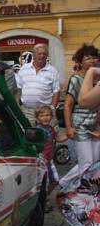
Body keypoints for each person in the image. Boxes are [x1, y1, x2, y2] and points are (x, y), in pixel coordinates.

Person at [61, 45, 100, 184]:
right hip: (80, 124)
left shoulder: (98, 80)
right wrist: (69, 127)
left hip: (95, 124)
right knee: (87, 162)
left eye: (94, 57)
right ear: (80, 62)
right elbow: (68, 105)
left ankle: (72, 185)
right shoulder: (76, 79)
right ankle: (71, 186)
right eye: (87, 58)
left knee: (94, 161)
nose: (91, 61)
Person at [15, 43, 60, 125]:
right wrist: (17, 105)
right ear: (34, 55)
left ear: (47, 56)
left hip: (45, 111)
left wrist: (52, 108)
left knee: (48, 134)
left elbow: (56, 91)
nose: (42, 56)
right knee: (29, 133)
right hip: (27, 110)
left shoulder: (52, 70)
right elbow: (19, 88)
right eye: (39, 54)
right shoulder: (24, 68)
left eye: (44, 54)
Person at [34, 105, 68, 186]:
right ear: (37, 118)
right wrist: (41, 158)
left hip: (49, 159)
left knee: (53, 180)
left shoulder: (51, 128)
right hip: (42, 159)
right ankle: (43, 197)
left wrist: (68, 135)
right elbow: (34, 146)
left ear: (51, 117)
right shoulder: (37, 130)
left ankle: (45, 196)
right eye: (42, 116)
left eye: (48, 115)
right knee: (44, 181)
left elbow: (58, 139)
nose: (45, 117)